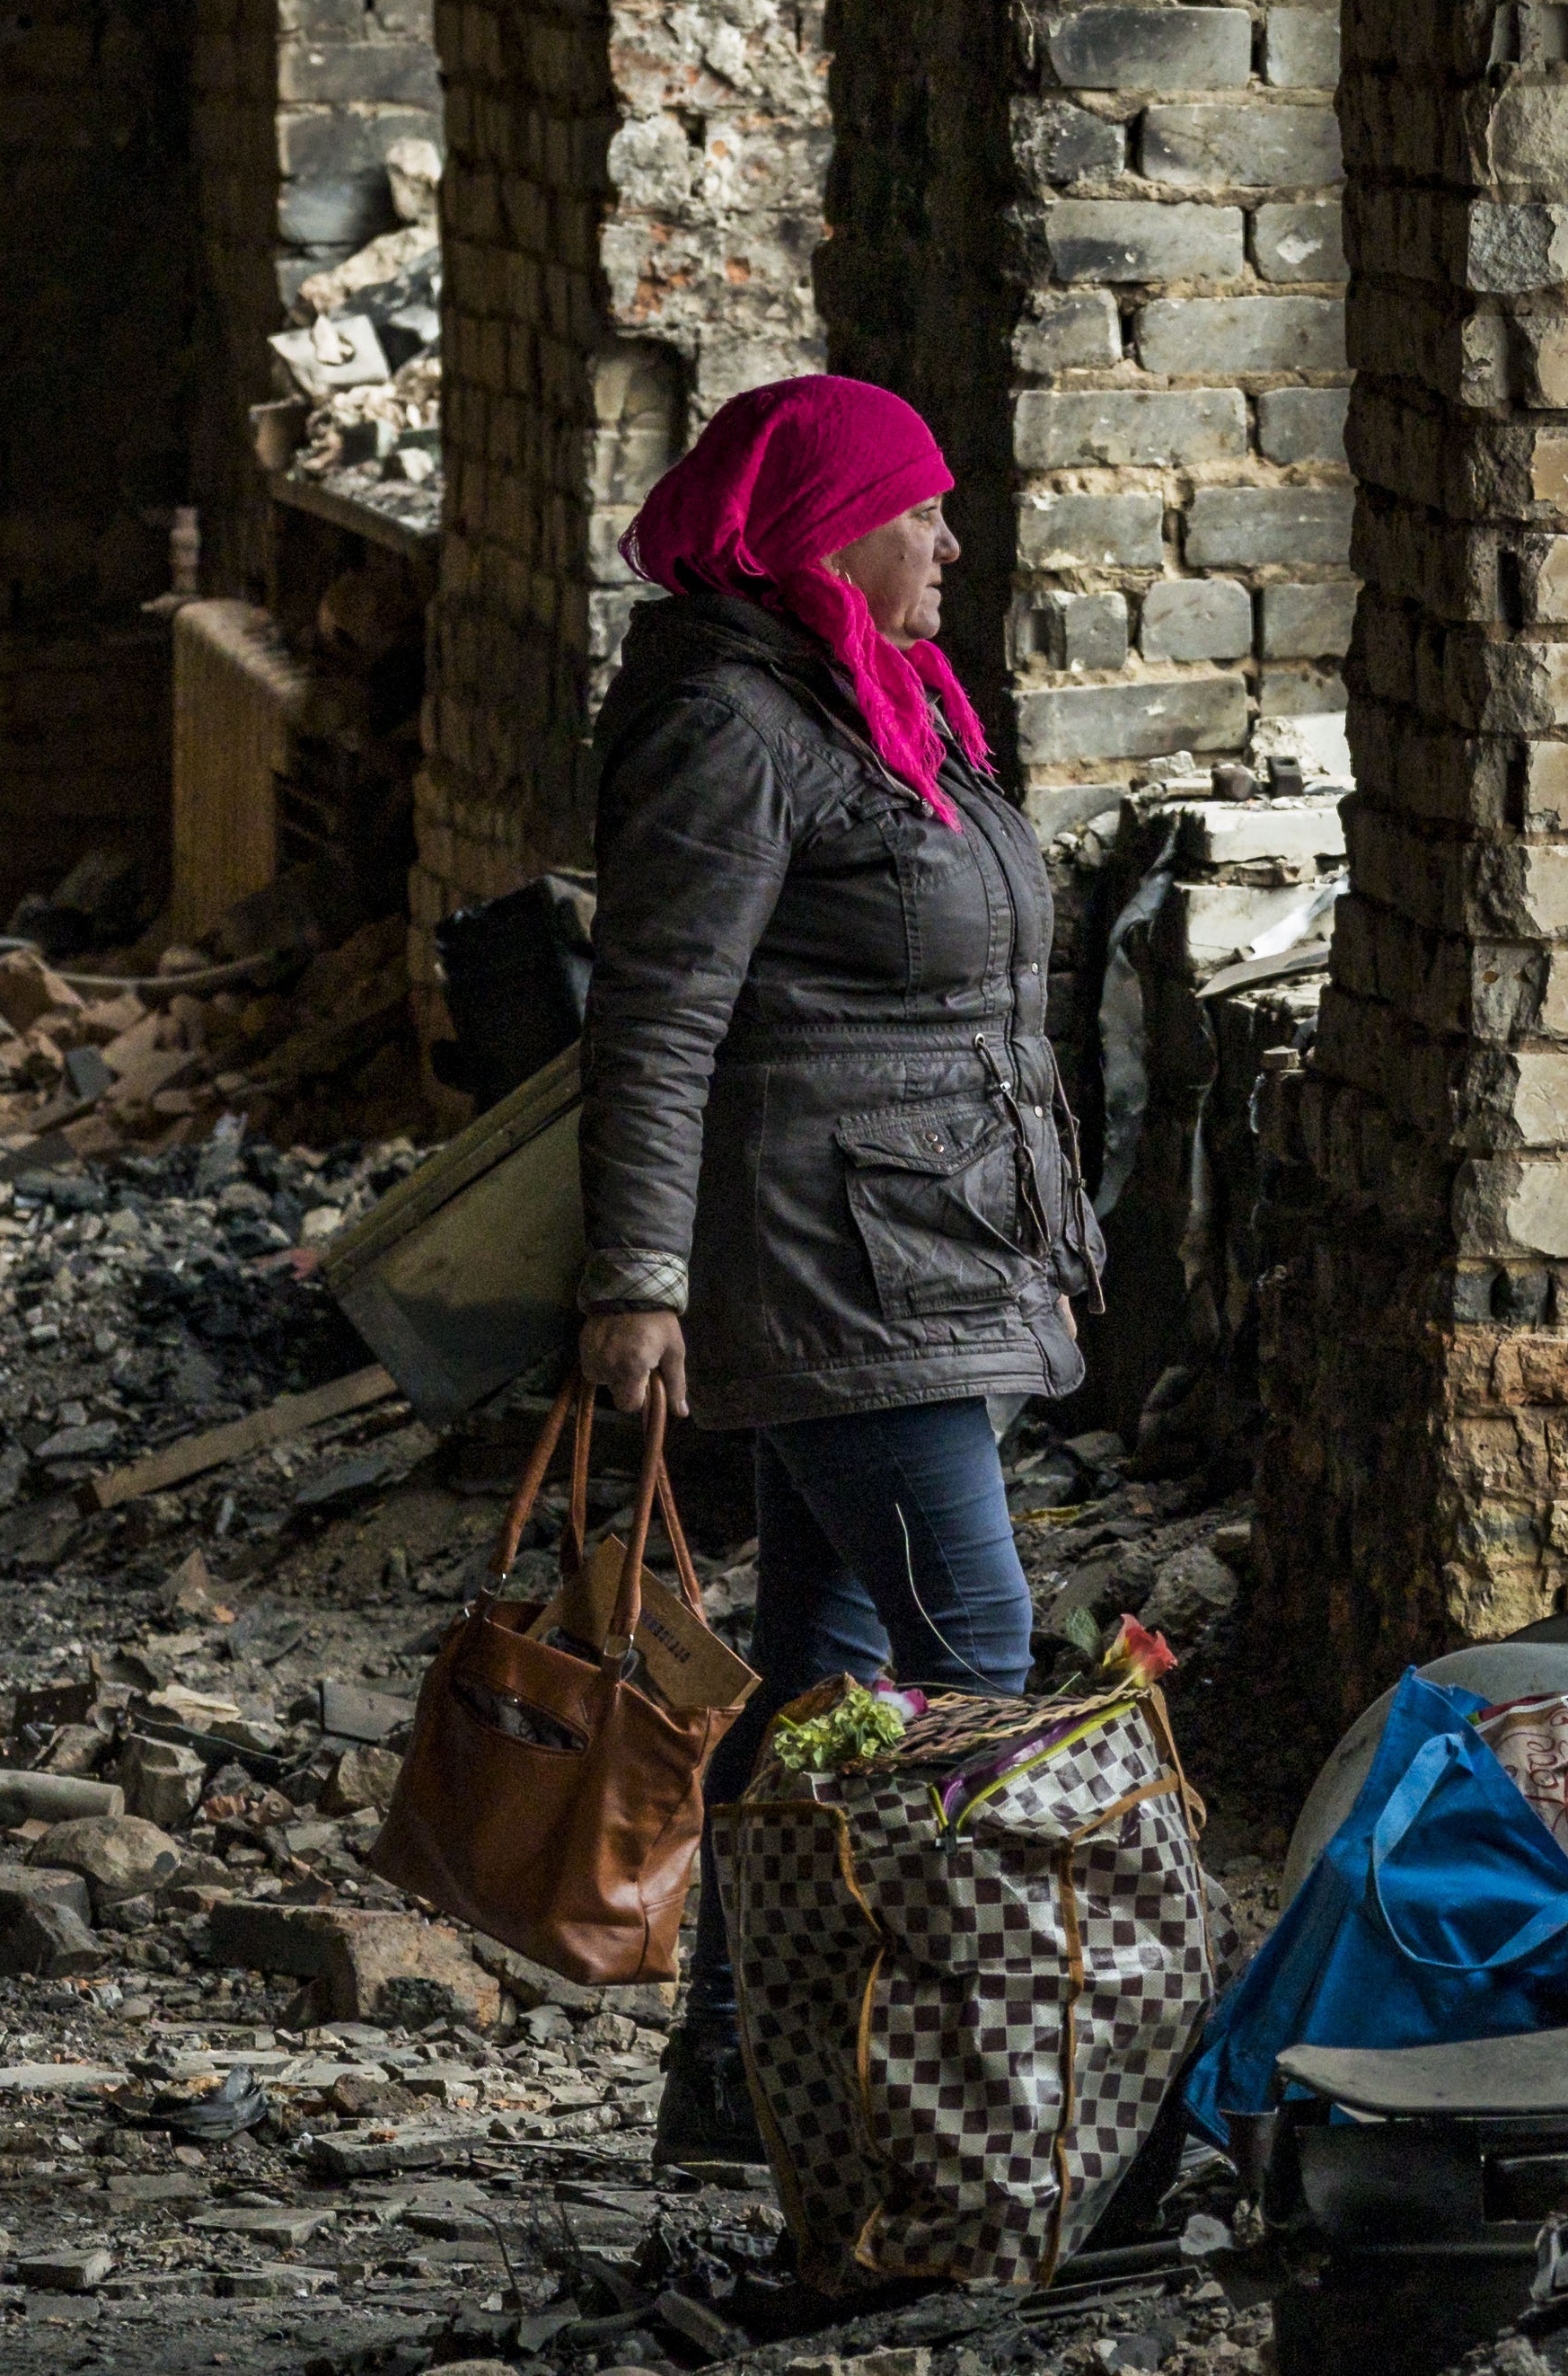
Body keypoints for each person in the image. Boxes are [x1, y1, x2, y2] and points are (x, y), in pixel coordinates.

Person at [569, 374, 1100, 2165]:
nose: (952, 539)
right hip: (838, 1273)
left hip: (935, 1243)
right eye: (922, 508)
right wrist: (637, 1278)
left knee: (822, 1673)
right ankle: (1019, 2092)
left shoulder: (875, 700)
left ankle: (736, 2083)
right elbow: (654, 1017)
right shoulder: (735, 720)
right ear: (830, 528)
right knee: (983, 1673)